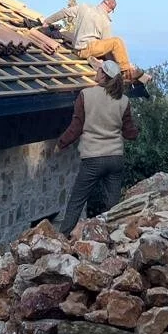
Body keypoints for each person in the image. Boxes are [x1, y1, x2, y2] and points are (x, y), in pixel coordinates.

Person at [54, 60, 138, 232]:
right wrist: (138, 131)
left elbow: (76, 127)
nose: (96, 72)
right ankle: (113, 237)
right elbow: (129, 133)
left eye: (98, 70)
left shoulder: (86, 95)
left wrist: (61, 144)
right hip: (115, 158)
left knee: (76, 201)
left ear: (103, 75)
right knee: (113, 206)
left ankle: (62, 238)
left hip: (93, 158)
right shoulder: (123, 100)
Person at [40, 0, 142, 78]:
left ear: (102, 2)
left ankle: (95, 60)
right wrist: (115, 66)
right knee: (117, 42)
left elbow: (64, 12)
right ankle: (127, 71)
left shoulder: (84, 7)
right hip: (87, 48)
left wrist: (47, 21)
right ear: (111, 10)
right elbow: (107, 45)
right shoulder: (105, 20)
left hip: (78, 47)